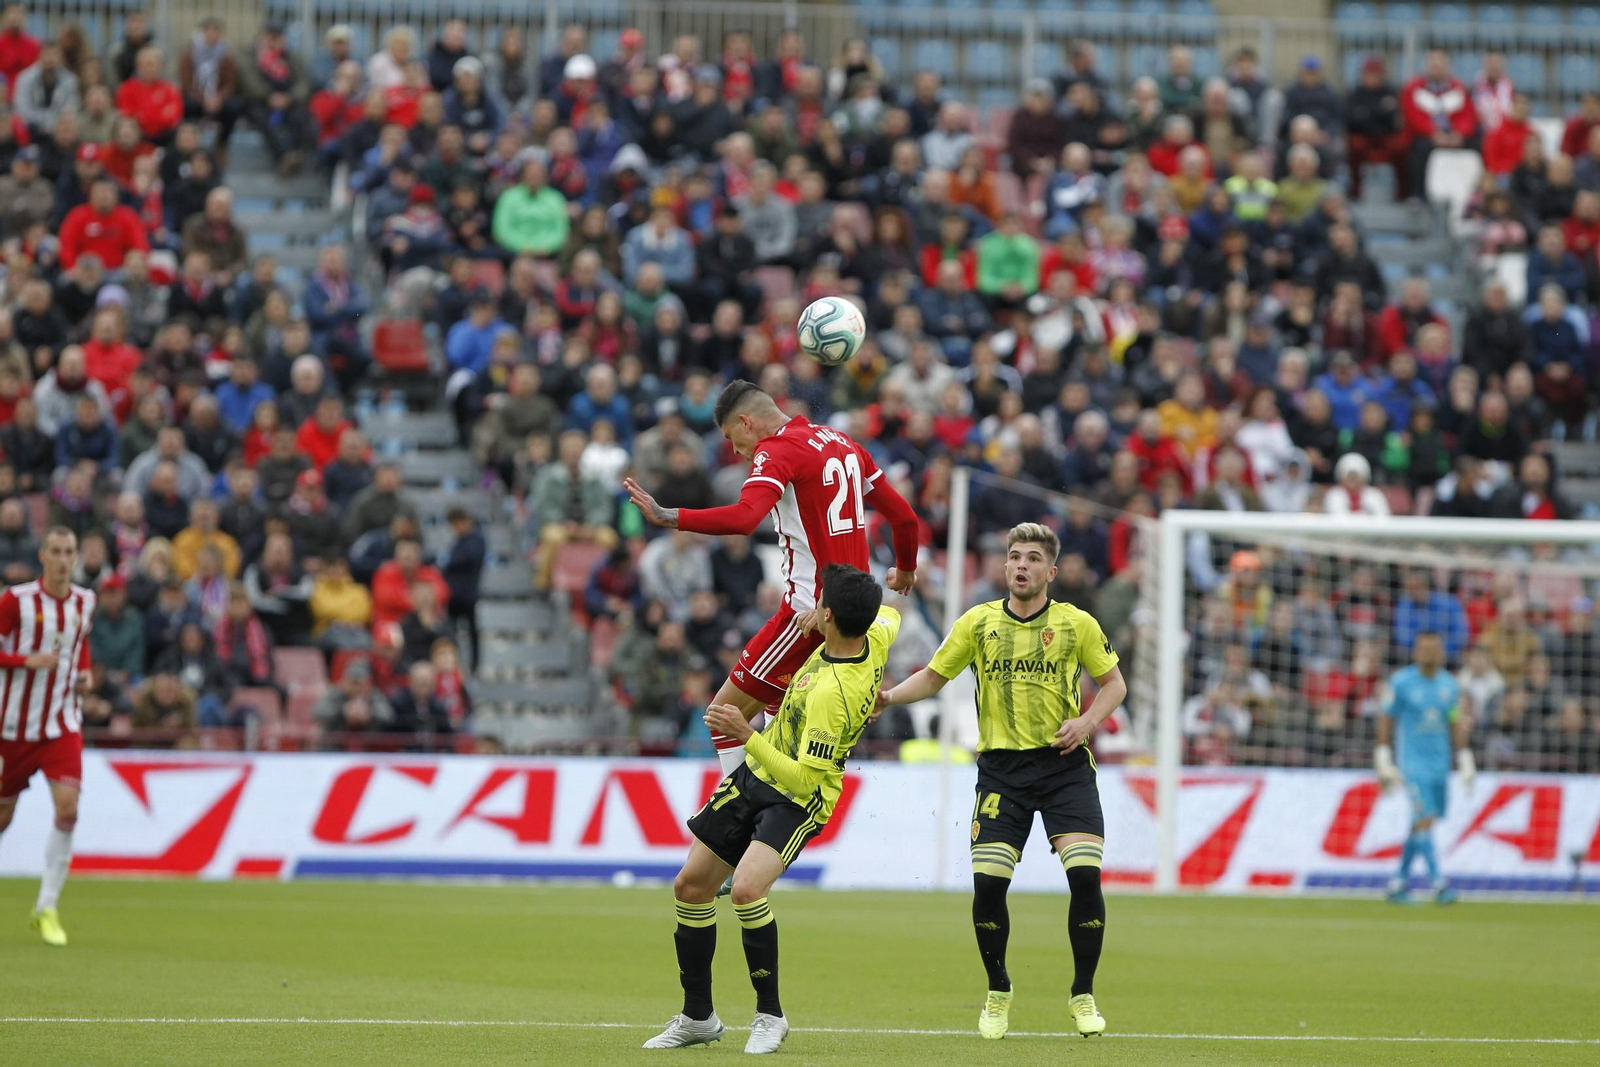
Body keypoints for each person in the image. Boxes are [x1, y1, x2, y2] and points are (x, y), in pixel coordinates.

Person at [875, 523, 1127, 1040]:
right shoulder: (978, 622)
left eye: (1033, 558)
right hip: (1002, 772)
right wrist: (890, 697)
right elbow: (935, 676)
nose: (1021, 565)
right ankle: (998, 990)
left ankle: (1083, 994)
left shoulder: (1076, 623)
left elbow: (1113, 684)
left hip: (1064, 768)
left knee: (1084, 876)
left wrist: (1086, 723)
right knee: (988, 885)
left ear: (1050, 572)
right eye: (1014, 556)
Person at [643, 564, 899, 1054]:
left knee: (745, 888)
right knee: (690, 886)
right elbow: (892, 614)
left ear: (827, 614)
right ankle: (698, 1016)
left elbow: (803, 777)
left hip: (800, 797)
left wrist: (746, 735)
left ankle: (770, 1015)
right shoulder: (877, 634)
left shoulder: (831, 694)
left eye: (818, 604)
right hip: (757, 776)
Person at [624, 381, 919, 779]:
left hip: (807, 615)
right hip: (856, 616)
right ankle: (775, 816)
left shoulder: (776, 449)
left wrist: (672, 516)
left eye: (731, 437)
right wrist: (905, 568)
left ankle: (732, 814)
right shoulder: (841, 441)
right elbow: (905, 518)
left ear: (746, 422)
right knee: (776, 724)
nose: (734, 450)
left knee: (722, 717)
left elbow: (746, 518)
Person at [0, 527, 96, 947]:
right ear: (42, 555)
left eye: (69, 552)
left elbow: (80, 643)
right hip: (12, 728)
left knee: (68, 807)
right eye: (55, 551)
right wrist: (25, 660)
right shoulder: (15, 601)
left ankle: (47, 907)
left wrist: (84, 672)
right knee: (4, 816)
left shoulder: (84, 601)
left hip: (61, 724)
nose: (62, 559)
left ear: (76, 557)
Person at [1375, 631, 1476, 904]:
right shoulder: (1401, 682)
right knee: (1424, 816)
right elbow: (1387, 717)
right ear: (1416, 652)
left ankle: (1398, 883)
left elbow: (1454, 720)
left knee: (1422, 823)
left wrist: (1464, 756)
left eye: (1435, 649)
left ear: (1442, 652)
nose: (1430, 654)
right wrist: (1383, 756)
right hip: (1412, 764)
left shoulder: (1449, 686)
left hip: (1440, 764)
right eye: (1424, 649)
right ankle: (1438, 883)